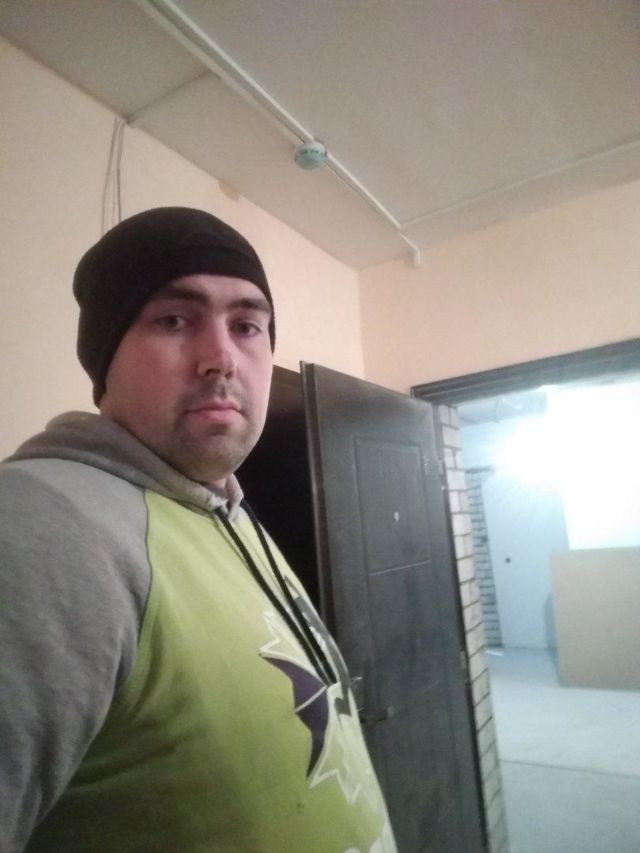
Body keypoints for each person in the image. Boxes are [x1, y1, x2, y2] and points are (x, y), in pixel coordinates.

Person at [0, 207, 396, 853]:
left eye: (247, 325)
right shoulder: (40, 526)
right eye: (173, 320)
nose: (222, 359)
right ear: (105, 358)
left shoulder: (226, 511)